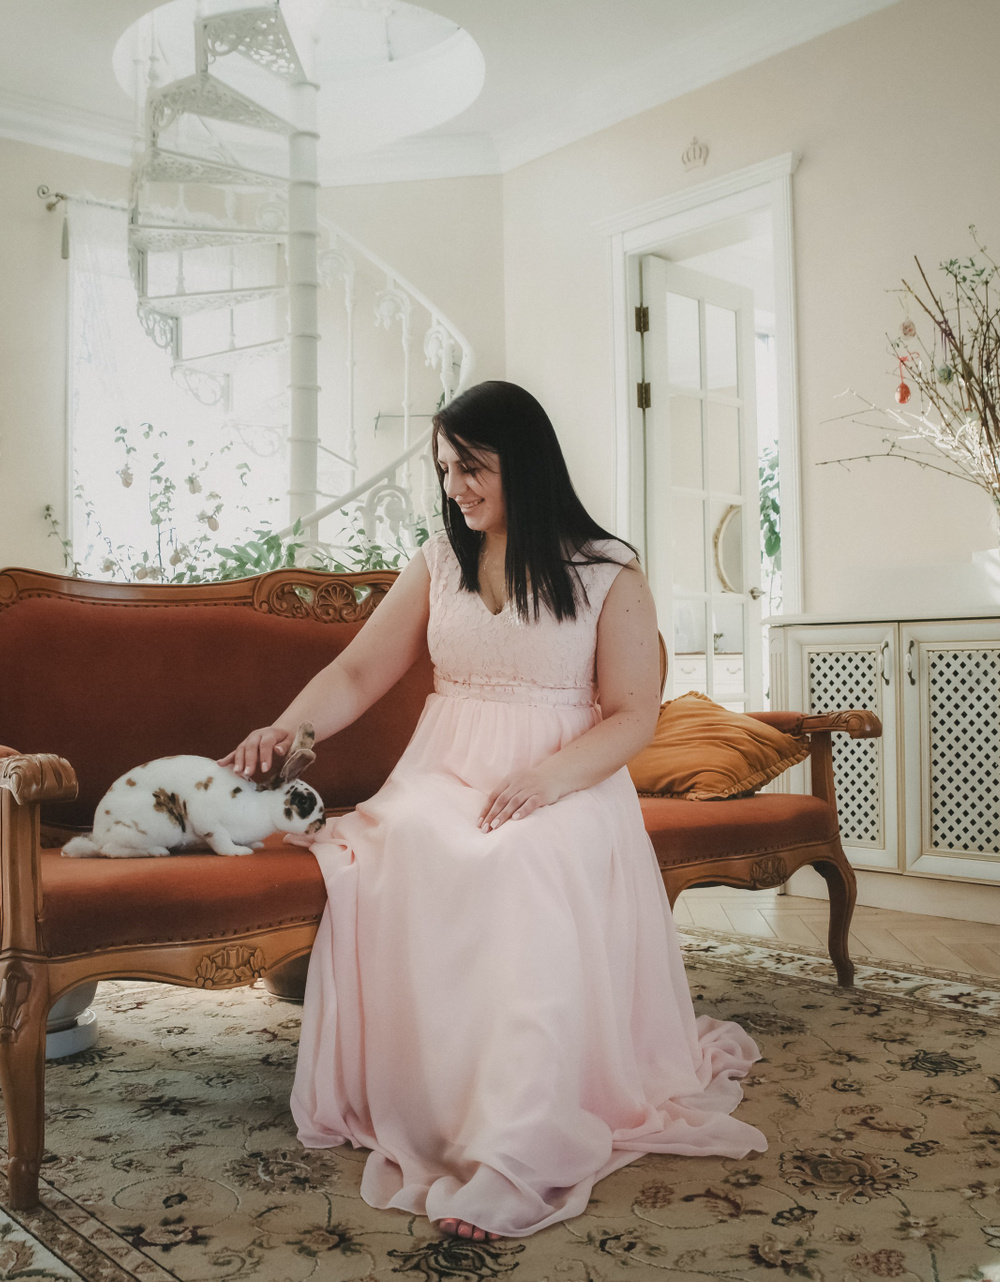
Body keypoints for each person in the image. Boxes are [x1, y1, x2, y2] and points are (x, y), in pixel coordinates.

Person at [220, 380, 765, 1241]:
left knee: (518, 863)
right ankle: (441, 1099)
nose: (456, 487)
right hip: (441, 775)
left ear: (526, 460)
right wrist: (288, 729)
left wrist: (549, 780)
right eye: (445, 469)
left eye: (471, 467)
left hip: (568, 781)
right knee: (398, 851)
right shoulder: (440, 560)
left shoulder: (607, 571)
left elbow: (634, 715)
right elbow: (358, 672)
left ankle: (516, 1145)